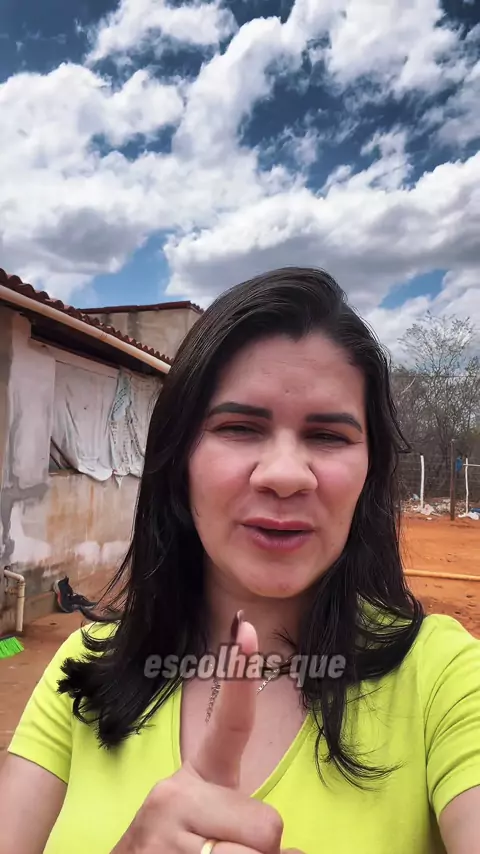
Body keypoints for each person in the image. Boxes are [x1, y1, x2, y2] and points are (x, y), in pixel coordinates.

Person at [0, 267, 479, 854]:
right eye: (239, 427)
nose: (285, 474)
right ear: (179, 460)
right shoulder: (86, 670)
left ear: (369, 471)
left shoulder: (446, 682)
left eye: (328, 436)